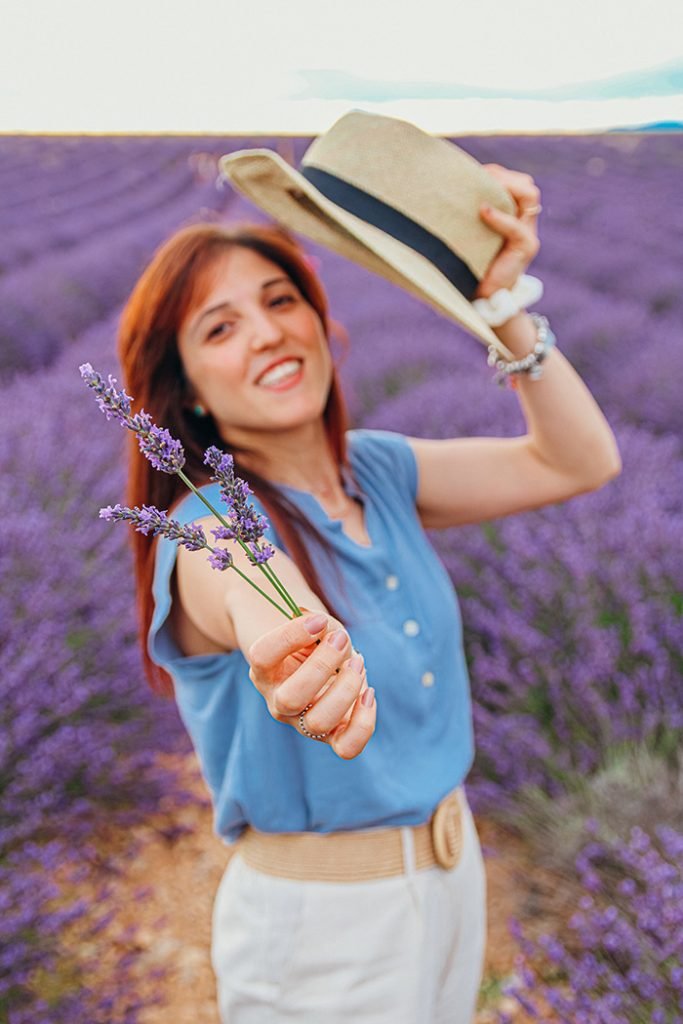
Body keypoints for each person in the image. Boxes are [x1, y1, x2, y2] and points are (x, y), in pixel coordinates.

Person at [116, 159, 621, 1024]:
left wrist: (499, 305)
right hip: (324, 933)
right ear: (187, 390)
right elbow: (241, 571)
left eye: (281, 301)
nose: (267, 333)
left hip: (453, 878)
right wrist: (293, 641)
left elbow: (578, 460)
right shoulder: (204, 523)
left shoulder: (377, 470)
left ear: (320, 319)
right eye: (219, 327)